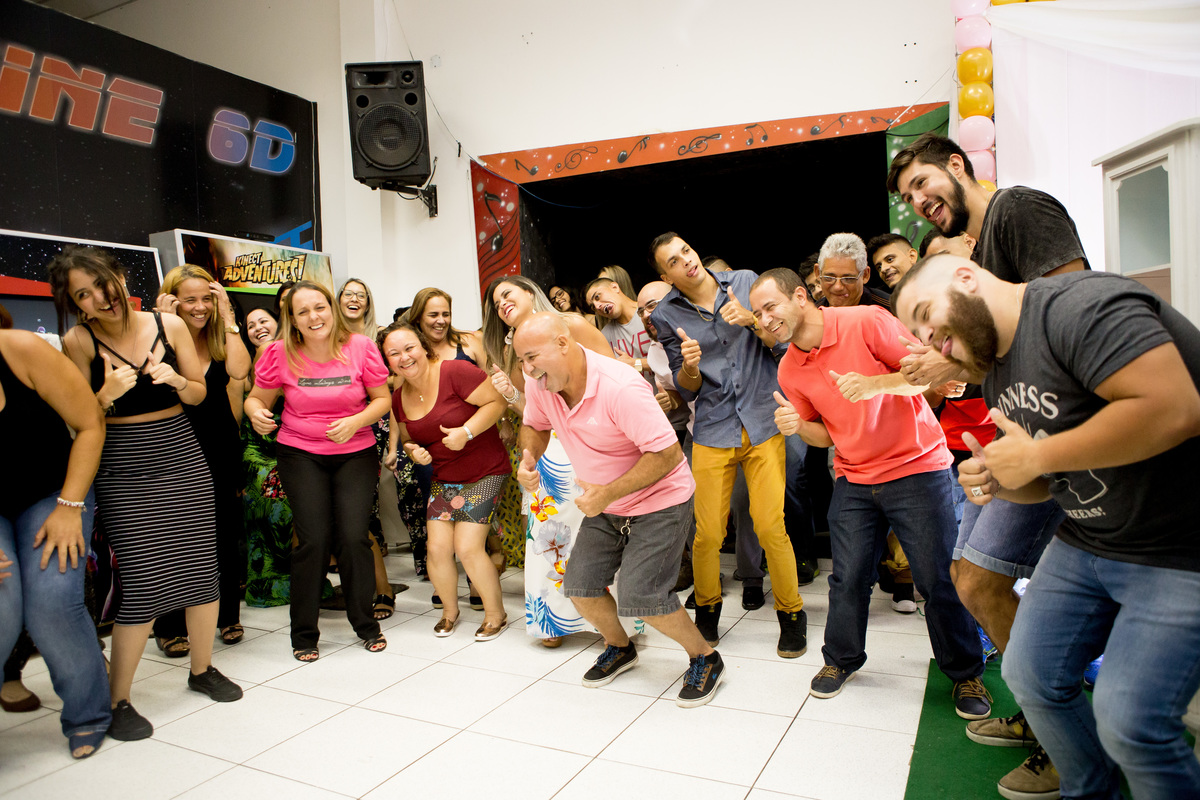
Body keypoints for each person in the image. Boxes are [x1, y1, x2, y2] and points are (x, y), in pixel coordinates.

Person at [893, 254, 1200, 800]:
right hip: (1088, 538)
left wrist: (1037, 457)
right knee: (1031, 676)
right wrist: (999, 478)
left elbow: (1175, 407)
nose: (927, 339)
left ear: (966, 277)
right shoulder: (995, 369)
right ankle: (1087, 787)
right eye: (915, 331)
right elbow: (1044, 481)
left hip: (1177, 542)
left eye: (924, 313)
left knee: (1131, 721)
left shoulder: (1078, 306)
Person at [889, 132, 1083, 796]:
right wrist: (956, 365)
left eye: (922, 183)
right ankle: (1042, 716)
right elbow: (1004, 349)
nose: (918, 201)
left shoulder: (1019, 211)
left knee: (980, 582)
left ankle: (1064, 735)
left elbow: (1071, 316)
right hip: (1016, 442)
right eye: (908, 196)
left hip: (1059, 441)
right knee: (972, 580)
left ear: (958, 164)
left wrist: (958, 361)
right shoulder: (985, 241)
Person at [748, 267, 988, 716]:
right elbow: (824, 435)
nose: (765, 319)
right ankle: (840, 660)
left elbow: (925, 374)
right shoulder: (789, 368)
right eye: (758, 313)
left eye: (771, 306)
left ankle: (966, 675)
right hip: (855, 477)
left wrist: (874, 385)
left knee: (935, 578)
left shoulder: (864, 321)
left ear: (801, 296)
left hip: (917, 467)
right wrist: (797, 426)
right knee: (848, 578)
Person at [49, 246, 242, 742]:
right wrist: (104, 395)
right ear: (77, 306)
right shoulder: (78, 341)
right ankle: (118, 699)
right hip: (123, 463)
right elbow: (76, 421)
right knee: (142, 579)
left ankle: (202, 671)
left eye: (102, 283)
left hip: (181, 449)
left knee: (202, 565)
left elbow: (201, 392)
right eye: (83, 295)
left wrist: (178, 379)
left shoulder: (169, 325)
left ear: (119, 278)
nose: (99, 298)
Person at [513, 313, 722, 707]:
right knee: (580, 586)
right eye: (521, 360)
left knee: (642, 595)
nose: (527, 369)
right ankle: (620, 647)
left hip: (661, 499)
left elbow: (667, 454)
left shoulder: (620, 386)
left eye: (532, 357)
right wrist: (529, 457)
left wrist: (607, 494)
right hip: (607, 502)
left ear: (563, 344)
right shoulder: (540, 381)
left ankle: (706, 657)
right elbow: (536, 425)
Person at [647, 232, 806, 657]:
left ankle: (791, 614)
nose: (686, 261)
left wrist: (753, 321)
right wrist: (692, 368)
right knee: (707, 535)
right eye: (673, 261)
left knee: (772, 527)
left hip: (761, 421)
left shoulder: (745, 282)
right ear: (666, 275)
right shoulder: (664, 315)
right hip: (714, 428)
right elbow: (686, 387)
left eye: (686, 250)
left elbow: (785, 344)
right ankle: (709, 610)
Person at [244, 280, 391, 661]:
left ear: (332, 308)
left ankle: (366, 624)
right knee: (313, 541)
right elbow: (257, 398)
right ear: (291, 319)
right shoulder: (278, 353)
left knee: (354, 537)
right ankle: (304, 634)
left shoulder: (360, 346)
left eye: (319, 307)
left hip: (355, 452)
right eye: (303, 311)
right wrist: (256, 413)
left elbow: (382, 399)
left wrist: (356, 421)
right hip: (300, 453)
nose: (314, 316)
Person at [481, 274, 616, 646]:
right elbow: (534, 413)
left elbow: (613, 373)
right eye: (495, 304)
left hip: (590, 440)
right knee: (548, 538)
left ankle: (610, 624)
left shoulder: (570, 324)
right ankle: (553, 622)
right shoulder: (512, 352)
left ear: (529, 292)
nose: (502, 304)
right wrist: (510, 395)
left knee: (598, 531)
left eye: (506, 294)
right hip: (550, 452)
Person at [0, 320, 110, 759]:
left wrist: (70, 507)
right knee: (3, 599)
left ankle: (89, 714)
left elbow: (89, 425)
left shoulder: (22, 350)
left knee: (50, 600)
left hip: (52, 491)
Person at [381, 321, 510, 639]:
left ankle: (496, 614)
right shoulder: (399, 397)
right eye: (394, 353)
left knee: (467, 547)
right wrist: (414, 453)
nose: (405, 357)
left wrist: (466, 432)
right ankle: (450, 612)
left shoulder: (455, 371)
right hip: (445, 477)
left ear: (423, 347)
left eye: (409, 348)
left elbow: (498, 401)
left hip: (485, 471)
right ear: (388, 361)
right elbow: (412, 440)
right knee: (437, 549)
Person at [152, 265, 251, 650]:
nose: (199, 307)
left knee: (225, 534)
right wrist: (161, 322)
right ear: (172, 299)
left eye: (206, 299)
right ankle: (169, 624)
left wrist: (227, 316)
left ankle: (228, 616)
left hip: (220, 443)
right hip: (174, 444)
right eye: (189, 299)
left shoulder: (218, 335)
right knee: (177, 537)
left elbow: (240, 371)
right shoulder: (155, 334)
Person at [241, 307, 295, 607]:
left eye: (264, 321)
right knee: (266, 519)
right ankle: (265, 584)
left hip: (291, 450)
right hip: (260, 453)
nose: (258, 327)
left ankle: (295, 580)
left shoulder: (294, 357)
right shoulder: (248, 363)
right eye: (251, 324)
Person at [583, 276, 652, 370]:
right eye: (593, 307)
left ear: (615, 287)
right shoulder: (605, 335)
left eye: (597, 297)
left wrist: (636, 364)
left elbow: (672, 361)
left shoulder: (648, 313)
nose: (597, 306)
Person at [817, 233, 891, 310]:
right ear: (818, 273)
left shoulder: (892, 310)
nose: (838, 287)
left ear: (865, 275)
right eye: (829, 278)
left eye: (848, 279)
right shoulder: (813, 314)